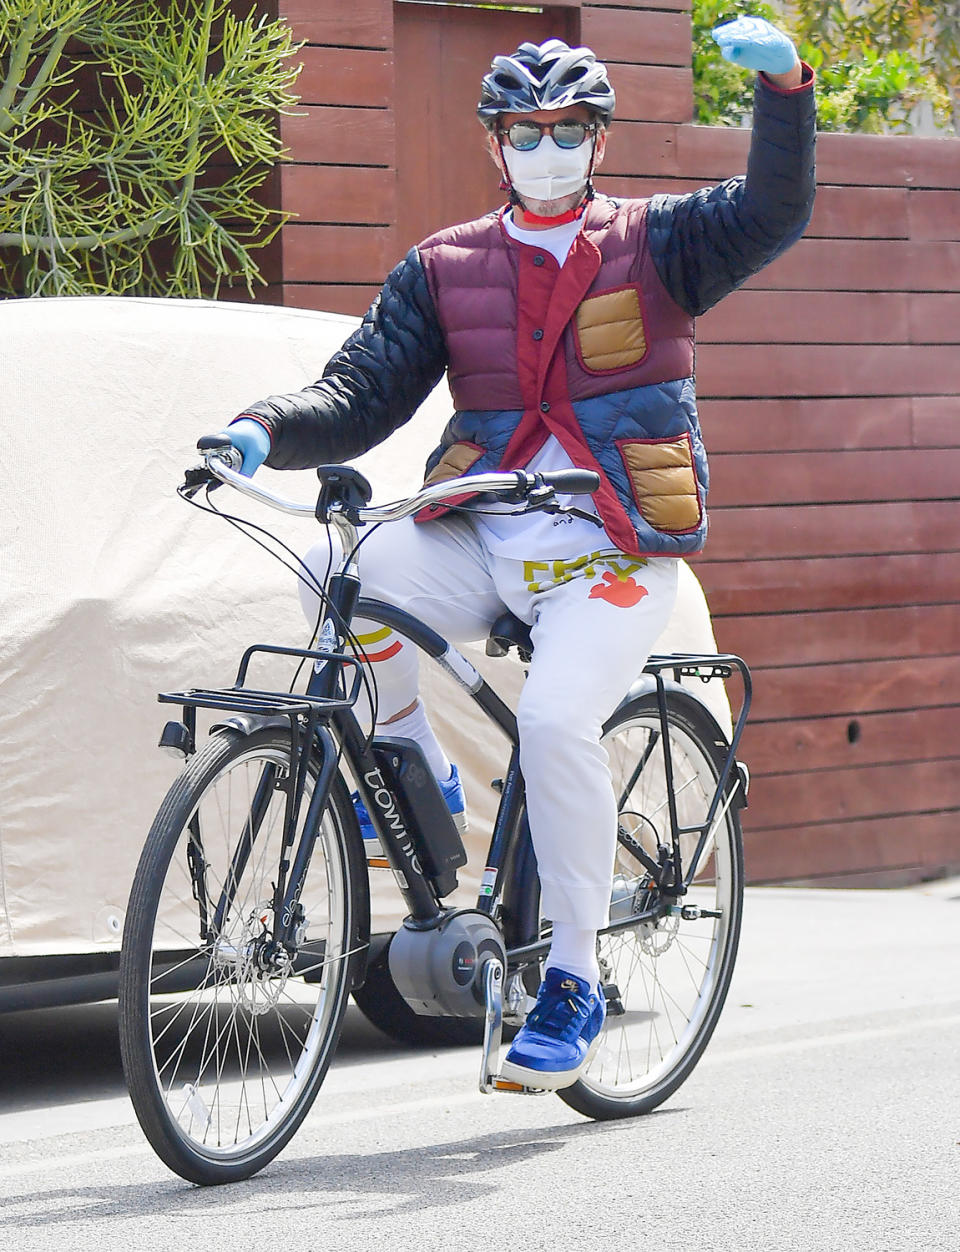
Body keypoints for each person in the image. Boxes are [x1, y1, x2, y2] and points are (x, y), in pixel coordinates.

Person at [212, 15, 816, 1090]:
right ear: (495, 144)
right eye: (525, 132)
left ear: (598, 139)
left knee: (551, 719)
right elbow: (359, 389)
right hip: (483, 532)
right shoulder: (444, 266)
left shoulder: (665, 242)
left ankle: (574, 980)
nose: (547, 149)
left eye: (569, 129)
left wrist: (785, 92)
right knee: (341, 578)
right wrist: (265, 426)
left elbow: (775, 210)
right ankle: (417, 768)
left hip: (612, 548)